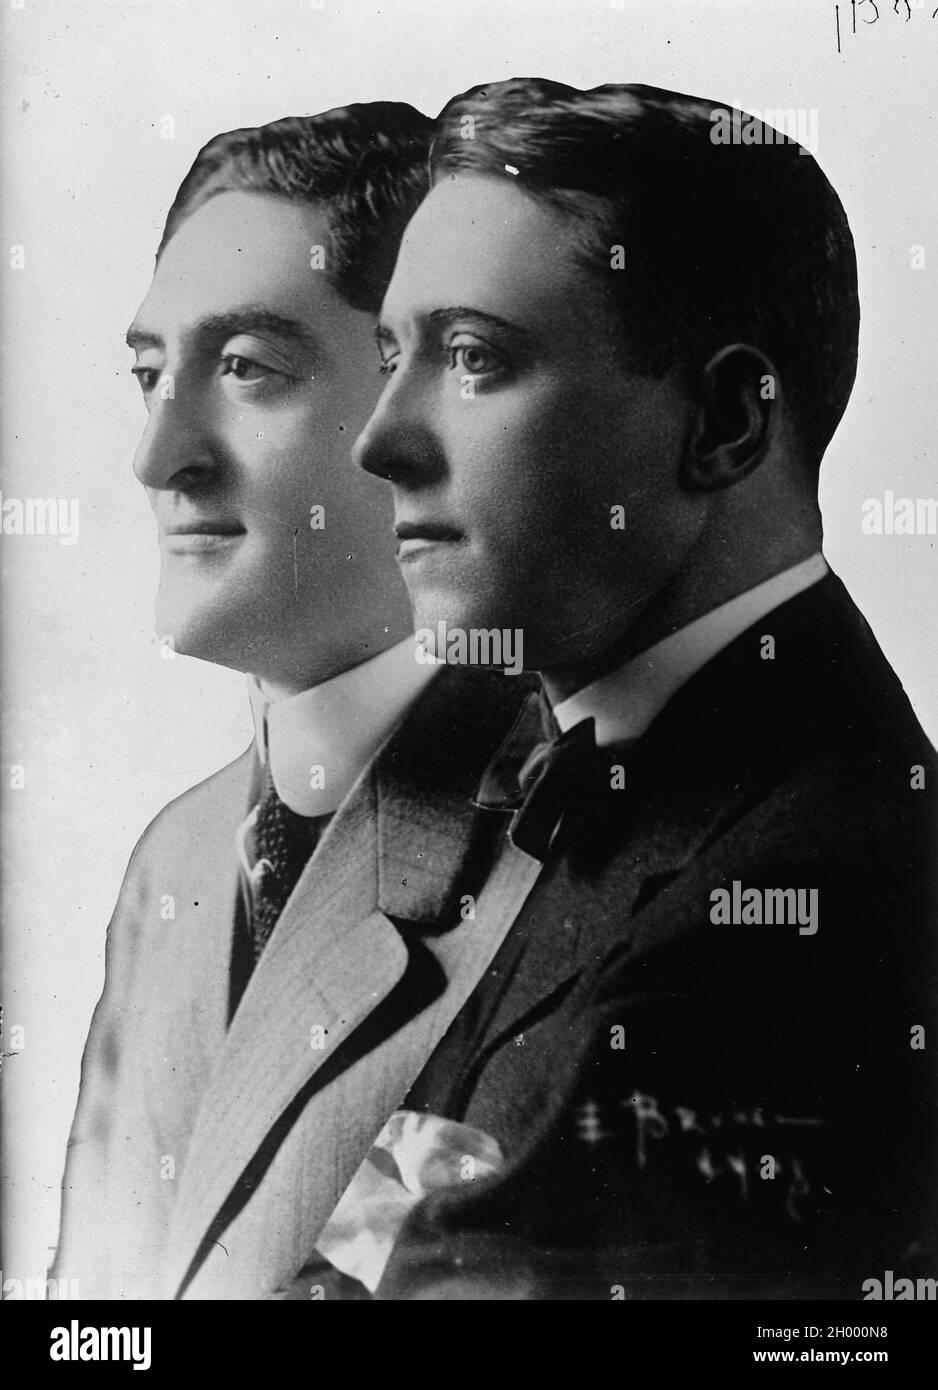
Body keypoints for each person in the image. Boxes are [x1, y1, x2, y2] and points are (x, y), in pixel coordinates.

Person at [352, 79, 938, 1299]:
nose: (378, 438)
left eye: (470, 357)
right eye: (387, 356)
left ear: (724, 421)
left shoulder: (788, 908)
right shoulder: (570, 762)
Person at [52, 105, 540, 1301]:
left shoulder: (575, 840)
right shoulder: (172, 863)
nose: (159, 452)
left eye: (245, 369)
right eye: (148, 374)